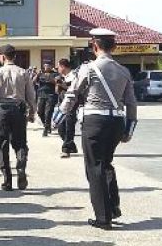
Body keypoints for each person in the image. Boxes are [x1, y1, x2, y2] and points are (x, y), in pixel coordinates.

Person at [53, 28, 138, 230]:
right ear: (114, 47)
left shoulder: (88, 69)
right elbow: (132, 103)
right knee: (106, 162)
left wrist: (58, 117)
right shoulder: (123, 70)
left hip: (94, 122)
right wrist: (129, 129)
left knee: (95, 167)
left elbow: (73, 94)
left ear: (94, 46)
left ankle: (103, 217)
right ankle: (113, 207)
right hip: (117, 122)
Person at [0, 44, 36, 191]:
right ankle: (21, 165)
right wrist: (32, 112)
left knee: (3, 144)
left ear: (2, 57)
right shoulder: (23, 73)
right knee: (20, 142)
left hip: (3, 109)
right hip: (19, 110)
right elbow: (31, 95)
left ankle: (7, 180)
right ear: (14, 56)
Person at [56, 58, 78, 158]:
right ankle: (71, 145)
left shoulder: (74, 76)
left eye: (59, 67)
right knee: (61, 128)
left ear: (63, 66)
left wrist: (62, 84)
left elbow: (74, 89)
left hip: (71, 105)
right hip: (62, 105)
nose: (58, 69)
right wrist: (58, 84)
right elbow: (57, 91)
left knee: (69, 127)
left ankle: (66, 149)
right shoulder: (62, 77)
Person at [33, 60, 59, 136]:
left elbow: (57, 82)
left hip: (51, 95)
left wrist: (49, 79)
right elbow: (33, 82)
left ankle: (46, 129)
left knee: (48, 112)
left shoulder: (55, 74)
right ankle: (46, 125)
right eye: (45, 66)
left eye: (48, 66)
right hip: (41, 95)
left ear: (51, 66)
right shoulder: (41, 74)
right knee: (40, 112)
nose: (46, 67)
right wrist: (37, 75)